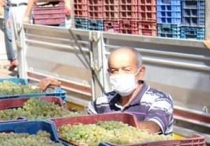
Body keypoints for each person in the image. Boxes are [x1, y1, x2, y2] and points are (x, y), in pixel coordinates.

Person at [40, 47, 174, 135]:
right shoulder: (102, 102)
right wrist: (52, 97)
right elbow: (79, 124)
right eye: (114, 71)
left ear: (140, 72)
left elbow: (151, 128)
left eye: (126, 70)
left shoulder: (159, 100)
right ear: (108, 73)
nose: (120, 75)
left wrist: (107, 128)